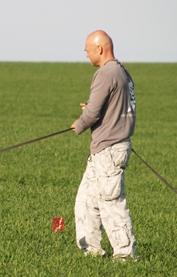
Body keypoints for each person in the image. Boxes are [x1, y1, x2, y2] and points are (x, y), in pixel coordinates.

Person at [71, 30, 137, 261]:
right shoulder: (121, 72)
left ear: (100, 48)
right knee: (86, 201)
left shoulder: (105, 73)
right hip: (107, 147)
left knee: (112, 204)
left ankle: (126, 256)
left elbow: (92, 113)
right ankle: (91, 251)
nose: (86, 54)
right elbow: (109, 108)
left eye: (88, 50)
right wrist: (91, 112)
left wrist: (80, 124)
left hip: (108, 149)